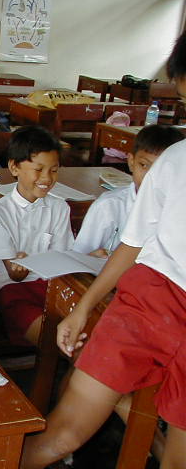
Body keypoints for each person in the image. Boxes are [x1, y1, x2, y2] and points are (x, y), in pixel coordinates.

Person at [20, 32, 186, 469]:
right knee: (63, 434)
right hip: (151, 296)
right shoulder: (175, 160)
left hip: (156, 298)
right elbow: (133, 243)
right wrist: (84, 307)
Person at [0, 125, 73, 347]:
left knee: (88, 326)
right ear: (14, 167)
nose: (47, 178)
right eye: (38, 169)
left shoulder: (60, 207)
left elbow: (64, 259)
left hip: (52, 286)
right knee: (52, 341)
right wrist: (22, 267)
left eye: (54, 170)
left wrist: (88, 256)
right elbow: (15, 275)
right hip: (14, 291)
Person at [73, 124, 184, 256]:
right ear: (131, 162)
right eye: (144, 165)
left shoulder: (180, 210)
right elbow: (79, 257)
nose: (151, 177)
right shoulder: (109, 206)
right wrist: (91, 257)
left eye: (162, 170)